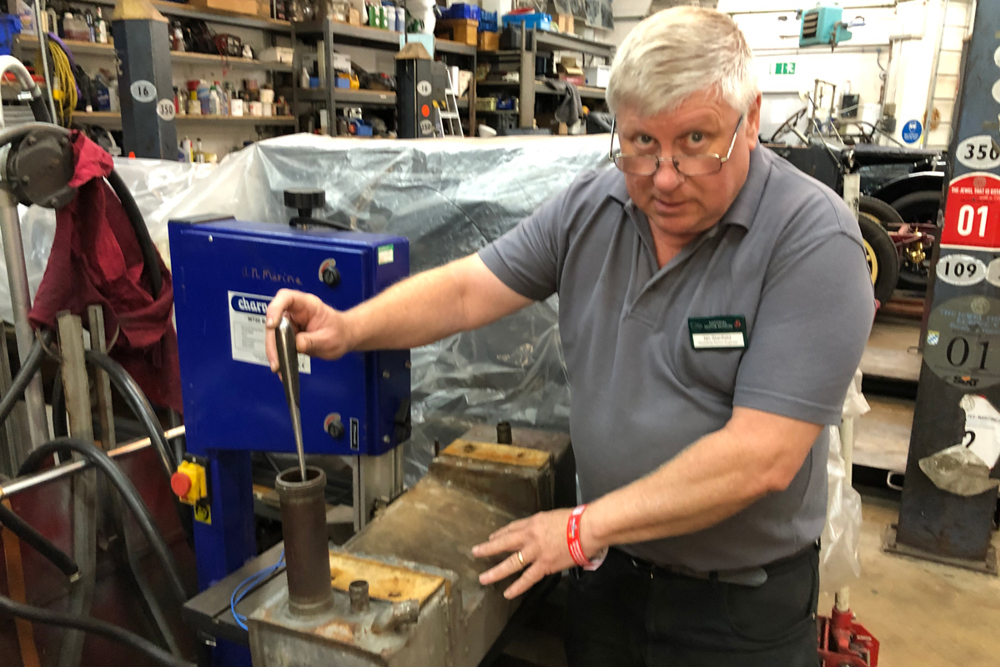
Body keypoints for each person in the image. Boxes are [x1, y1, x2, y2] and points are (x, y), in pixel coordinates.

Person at [265, 7, 874, 665]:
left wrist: (584, 528)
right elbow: (472, 287)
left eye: (696, 140)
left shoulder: (813, 241)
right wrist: (350, 325)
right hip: (608, 582)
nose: (664, 177)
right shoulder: (595, 206)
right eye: (642, 142)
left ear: (751, 120)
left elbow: (761, 455)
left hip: (734, 612)